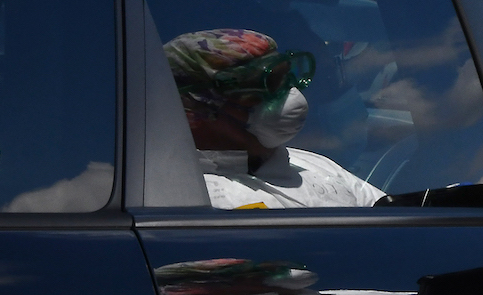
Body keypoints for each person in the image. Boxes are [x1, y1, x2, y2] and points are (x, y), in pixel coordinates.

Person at [164, 27, 386, 209]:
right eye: (265, 86)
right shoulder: (193, 201)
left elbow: (388, 212)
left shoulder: (313, 164)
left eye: (286, 80)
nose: (289, 96)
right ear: (193, 109)